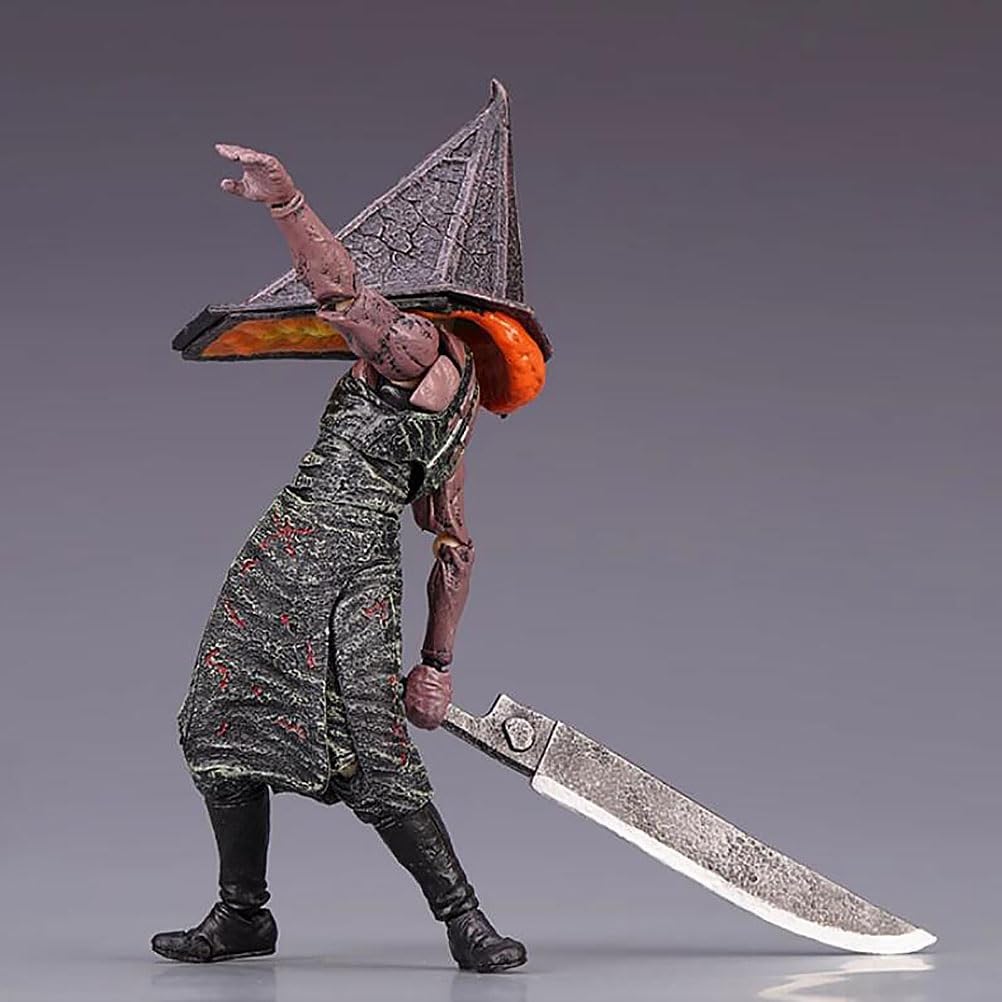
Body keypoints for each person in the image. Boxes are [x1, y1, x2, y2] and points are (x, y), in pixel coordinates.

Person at [151, 144, 526, 973]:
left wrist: (286, 203)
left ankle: (465, 919)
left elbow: (340, 294)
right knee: (220, 726)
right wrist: (437, 662)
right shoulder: (455, 411)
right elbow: (455, 549)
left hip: (348, 575)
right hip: (278, 563)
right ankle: (243, 914)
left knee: (375, 752)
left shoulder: (423, 351)